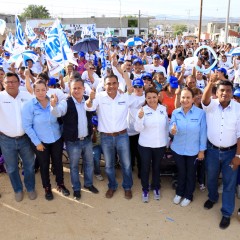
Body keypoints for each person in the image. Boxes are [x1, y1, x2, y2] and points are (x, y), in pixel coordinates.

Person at [85, 74, 143, 199]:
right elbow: (89, 107)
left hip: (122, 136)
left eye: (114, 83)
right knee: (109, 165)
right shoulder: (99, 97)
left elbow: (140, 101)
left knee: (126, 164)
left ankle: (127, 187)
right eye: (108, 83)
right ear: (104, 85)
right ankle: (112, 186)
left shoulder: (125, 97)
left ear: (118, 84)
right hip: (106, 137)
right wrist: (90, 99)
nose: (111, 86)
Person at [51, 78, 98, 200]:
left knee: (89, 163)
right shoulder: (66, 102)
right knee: (74, 166)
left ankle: (88, 184)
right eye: (74, 88)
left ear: (83, 88)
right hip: (73, 141)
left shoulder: (89, 99)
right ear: (70, 89)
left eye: (79, 88)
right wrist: (53, 106)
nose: (76, 90)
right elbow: (57, 113)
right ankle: (76, 189)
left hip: (87, 139)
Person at [202, 77, 240, 229]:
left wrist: (238, 156)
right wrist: (210, 83)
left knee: (229, 184)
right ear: (216, 93)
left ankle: (226, 213)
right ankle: (212, 197)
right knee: (211, 178)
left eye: (228, 91)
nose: (225, 93)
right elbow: (204, 101)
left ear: (232, 93)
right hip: (211, 150)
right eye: (222, 90)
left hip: (231, 153)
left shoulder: (238, 108)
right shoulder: (211, 105)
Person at [22, 79, 70, 200]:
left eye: (43, 89)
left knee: (58, 163)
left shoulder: (53, 101)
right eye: (37, 90)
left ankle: (60, 184)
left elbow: (59, 115)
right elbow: (27, 126)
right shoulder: (29, 106)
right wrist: (37, 142)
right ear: (33, 91)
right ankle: (47, 187)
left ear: (47, 89)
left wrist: (54, 106)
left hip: (56, 138)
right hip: (40, 141)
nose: (41, 92)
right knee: (44, 165)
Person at [0, 72, 36, 202]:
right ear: (3, 84)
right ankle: (18, 190)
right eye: (7, 82)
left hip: (25, 138)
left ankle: (30, 187)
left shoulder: (27, 96)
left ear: (18, 82)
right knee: (11, 167)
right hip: (6, 140)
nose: (11, 84)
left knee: (29, 165)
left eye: (13, 81)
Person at [170, 87, 207, 207]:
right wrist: (173, 130)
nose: (185, 100)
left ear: (193, 99)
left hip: (193, 151)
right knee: (181, 172)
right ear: (180, 99)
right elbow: (171, 129)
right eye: (183, 97)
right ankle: (179, 193)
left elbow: (203, 133)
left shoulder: (200, 113)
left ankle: (188, 195)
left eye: (188, 97)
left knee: (191, 174)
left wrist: (202, 150)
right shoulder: (176, 112)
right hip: (178, 149)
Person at [135, 87, 168, 203]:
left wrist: (167, 140)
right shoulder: (142, 110)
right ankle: (145, 188)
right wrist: (139, 118)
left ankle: (156, 187)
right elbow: (138, 129)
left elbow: (166, 126)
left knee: (157, 167)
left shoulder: (163, 109)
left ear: (158, 97)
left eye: (154, 97)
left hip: (160, 145)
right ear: (146, 98)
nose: (152, 100)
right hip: (145, 145)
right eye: (149, 98)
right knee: (145, 168)